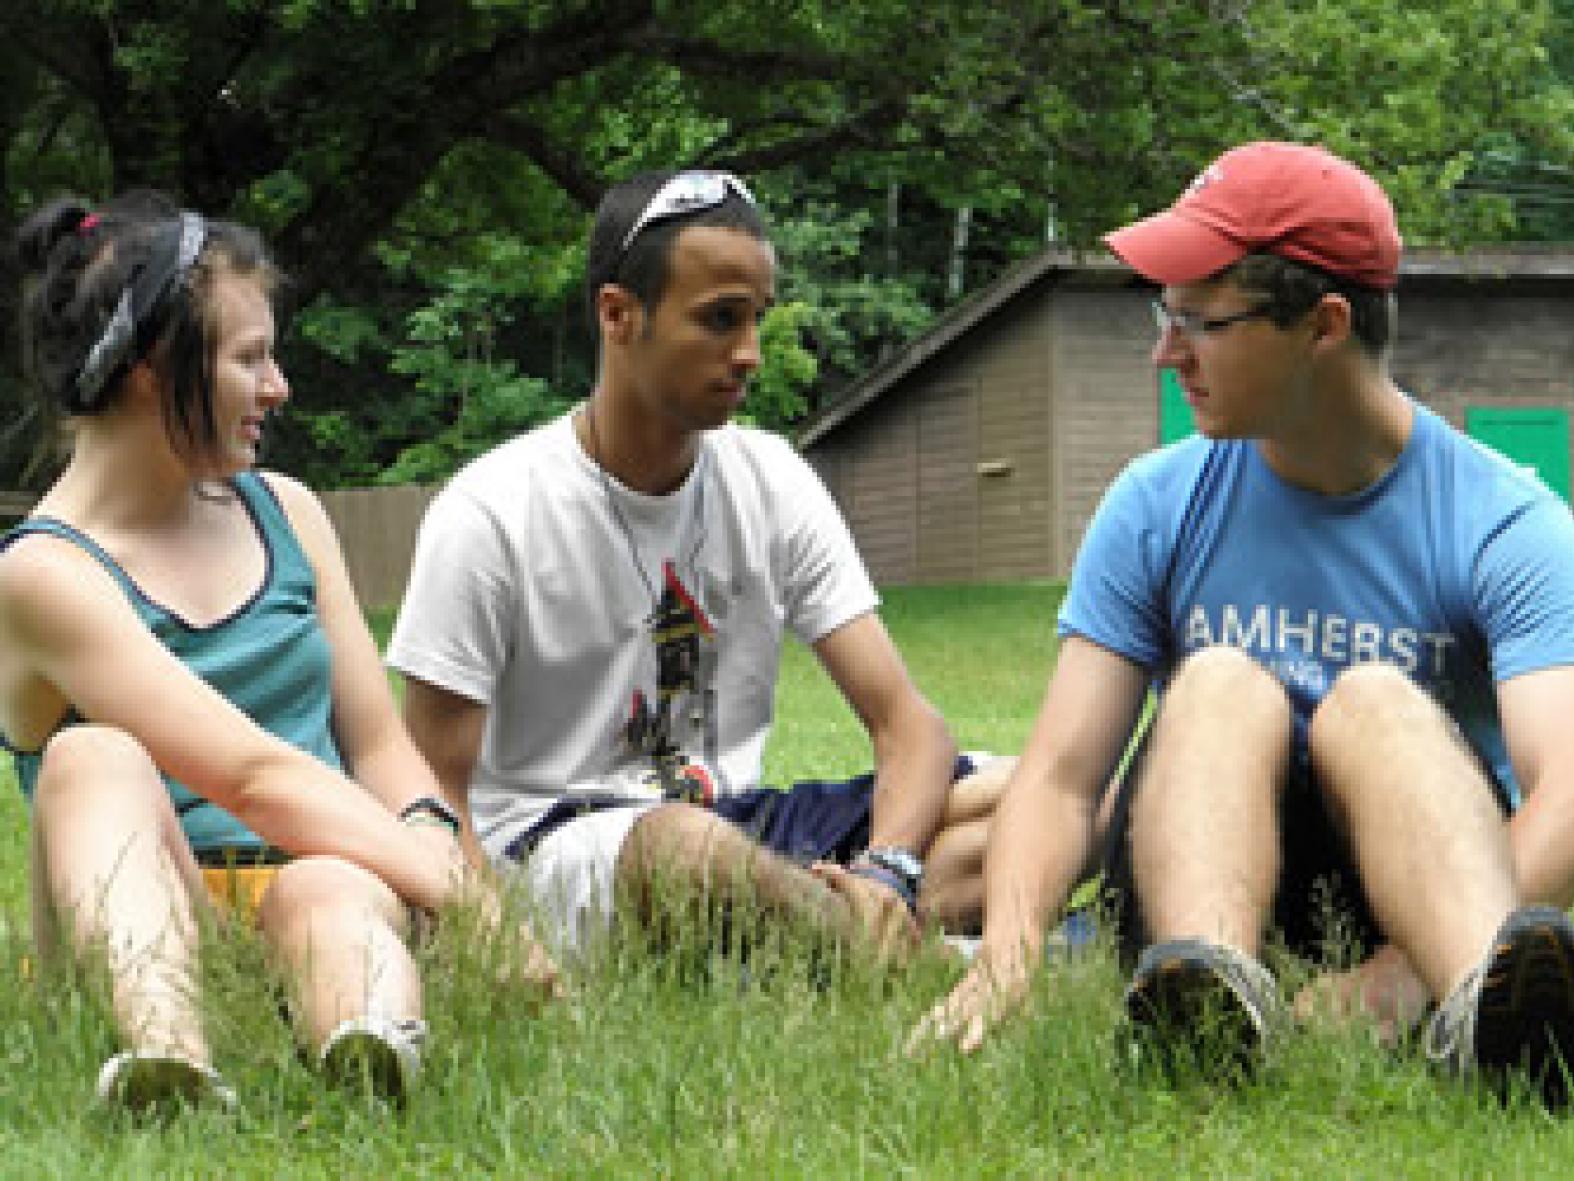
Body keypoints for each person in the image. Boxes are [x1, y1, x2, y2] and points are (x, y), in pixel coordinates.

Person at [912, 141, 1574, 1108]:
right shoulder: (1154, 503)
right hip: (1184, 874)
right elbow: (1062, 778)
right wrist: (1006, 956)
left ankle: (1477, 1009)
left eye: (1202, 322)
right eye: (1165, 317)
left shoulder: (1504, 521)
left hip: (1406, 894)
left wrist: (1394, 976)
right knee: (1219, 678)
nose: (1168, 352)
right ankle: (1202, 997)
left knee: (1373, 698)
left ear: (1322, 326)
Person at [1, 191, 555, 1112]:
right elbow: (251, 776)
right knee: (91, 755)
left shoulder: (286, 511)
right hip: (141, 909)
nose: (278, 386)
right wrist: (478, 914)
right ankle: (167, 1057)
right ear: (153, 367)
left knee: (328, 883)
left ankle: (366, 1047)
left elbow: (377, 745)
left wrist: (429, 835)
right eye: (250, 357)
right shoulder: (42, 575)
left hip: (319, 888)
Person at [388, 168, 1003, 963]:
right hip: (561, 848)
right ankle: (887, 947)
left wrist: (887, 868)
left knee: (1037, 797)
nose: (748, 353)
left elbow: (909, 727)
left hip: (743, 824)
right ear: (619, 314)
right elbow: (430, 793)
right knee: (683, 853)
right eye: (719, 320)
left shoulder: (770, 475)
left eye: (756, 319)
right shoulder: (492, 511)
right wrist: (501, 948)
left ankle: (829, 929)